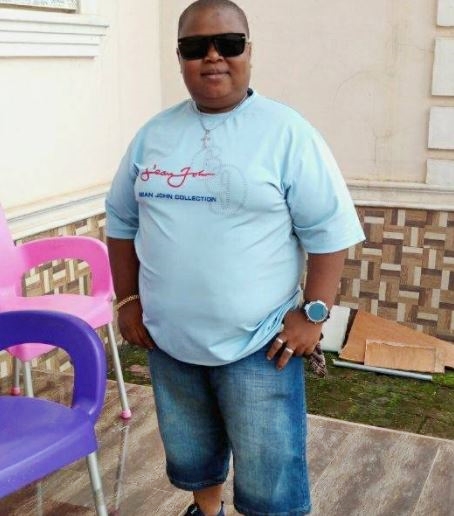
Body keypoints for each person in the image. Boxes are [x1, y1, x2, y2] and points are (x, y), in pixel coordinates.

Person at [105, 1, 365, 514]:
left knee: (270, 469)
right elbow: (121, 222)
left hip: (260, 344)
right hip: (170, 341)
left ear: (249, 51)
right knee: (192, 452)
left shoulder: (287, 133)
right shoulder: (153, 135)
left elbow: (329, 231)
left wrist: (314, 315)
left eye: (228, 44)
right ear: (179, 57)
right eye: (195, 47)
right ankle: (208, 511)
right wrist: (128, 300)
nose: (213, 57)